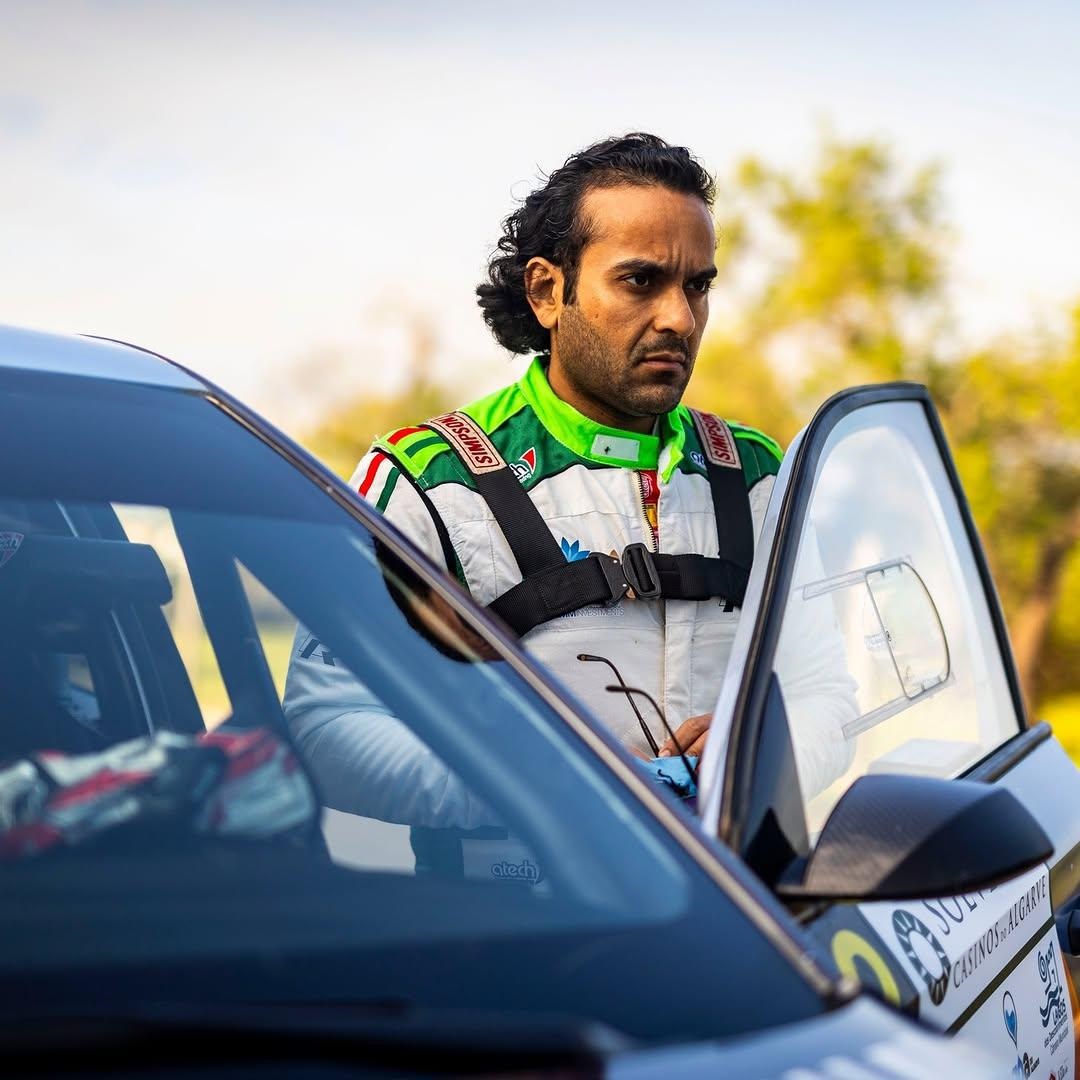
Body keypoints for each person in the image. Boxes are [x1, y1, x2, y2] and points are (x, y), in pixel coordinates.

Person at [284, 133, 853, 837]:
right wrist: (541, 788)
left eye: (697, 285)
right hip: (516, 899)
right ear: (548, 292)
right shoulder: (428, 477)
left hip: (721, 894)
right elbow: (329, 719)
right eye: (641, 280)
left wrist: (759, 747)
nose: (680, 318)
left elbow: (826, 695)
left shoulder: (758, 474)